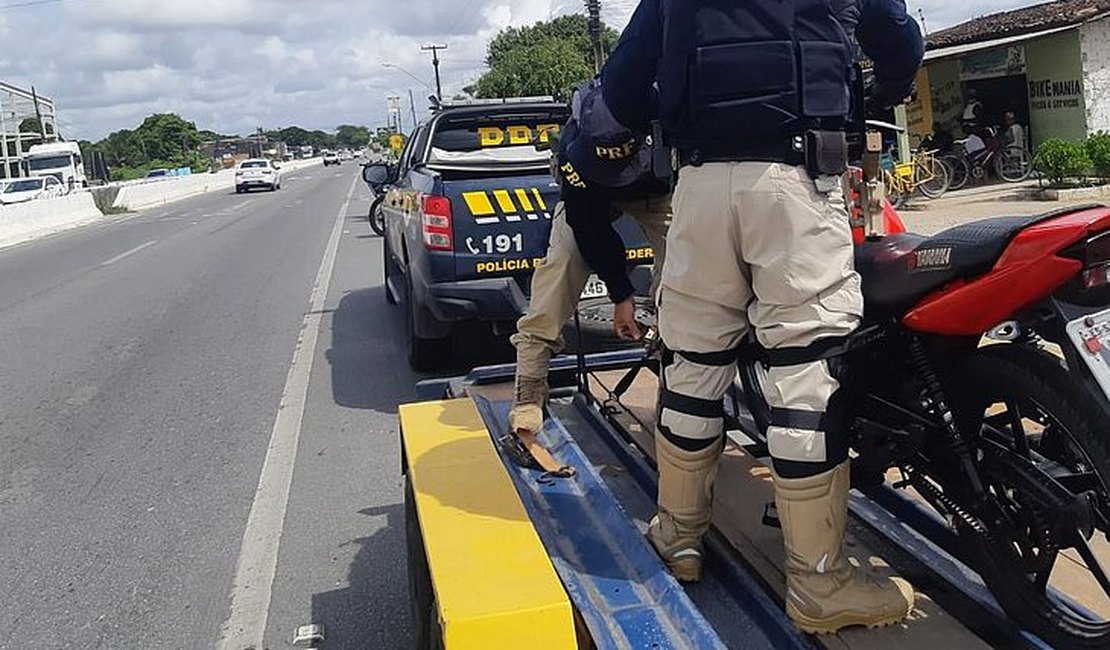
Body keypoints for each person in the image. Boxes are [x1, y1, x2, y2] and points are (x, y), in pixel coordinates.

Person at [602, 0, 924, 635]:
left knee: (692, 365)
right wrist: (872, 93)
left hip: (696, 187)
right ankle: (819, 582)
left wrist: (671, 113)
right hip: (795, 181)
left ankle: (678, 537)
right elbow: (900, 45)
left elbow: (621, 86)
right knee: (806, 377)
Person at [507, 78, 671, 475]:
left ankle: (677, 372)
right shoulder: (573, 155)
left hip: (656, 187)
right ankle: (528, 397)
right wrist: (622, 295)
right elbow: (590, 229)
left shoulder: (672, 123)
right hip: (589, 195)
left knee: (687, 273)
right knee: (558, 269)